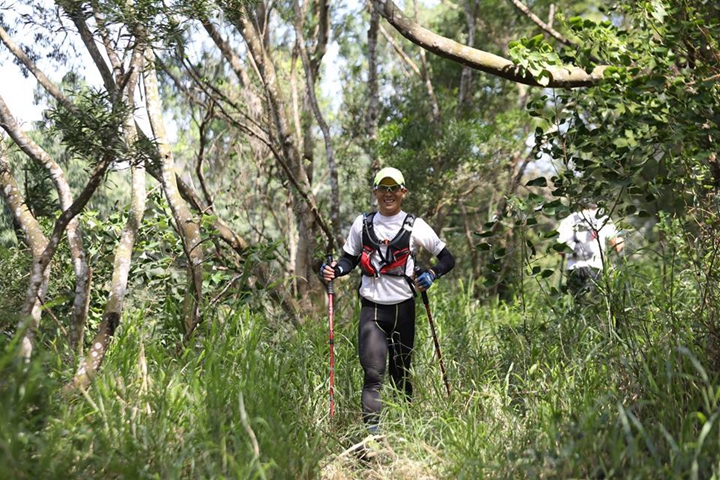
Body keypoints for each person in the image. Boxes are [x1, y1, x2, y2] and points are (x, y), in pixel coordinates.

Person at [320, 167, 455, 433]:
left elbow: (447, 259)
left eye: (394, 188)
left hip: (403, 309)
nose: (389, 194)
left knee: (401, 375)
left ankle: (406, 435)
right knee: (373, 374)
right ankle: (372, 439)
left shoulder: (415, 225)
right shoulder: (363, 223)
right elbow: (350, 258)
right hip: (372, 309)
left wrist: (431, 274)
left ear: (403, 192)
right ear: (375, 192)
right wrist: (336, 270)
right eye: (384, 188)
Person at [556, 201, 624, 297]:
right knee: (595, 301)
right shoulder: (602, 218)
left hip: (573, 267)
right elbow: (616, 244)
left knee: (579, 301)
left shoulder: (569, 219)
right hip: (595, 265)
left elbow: (559, 248)